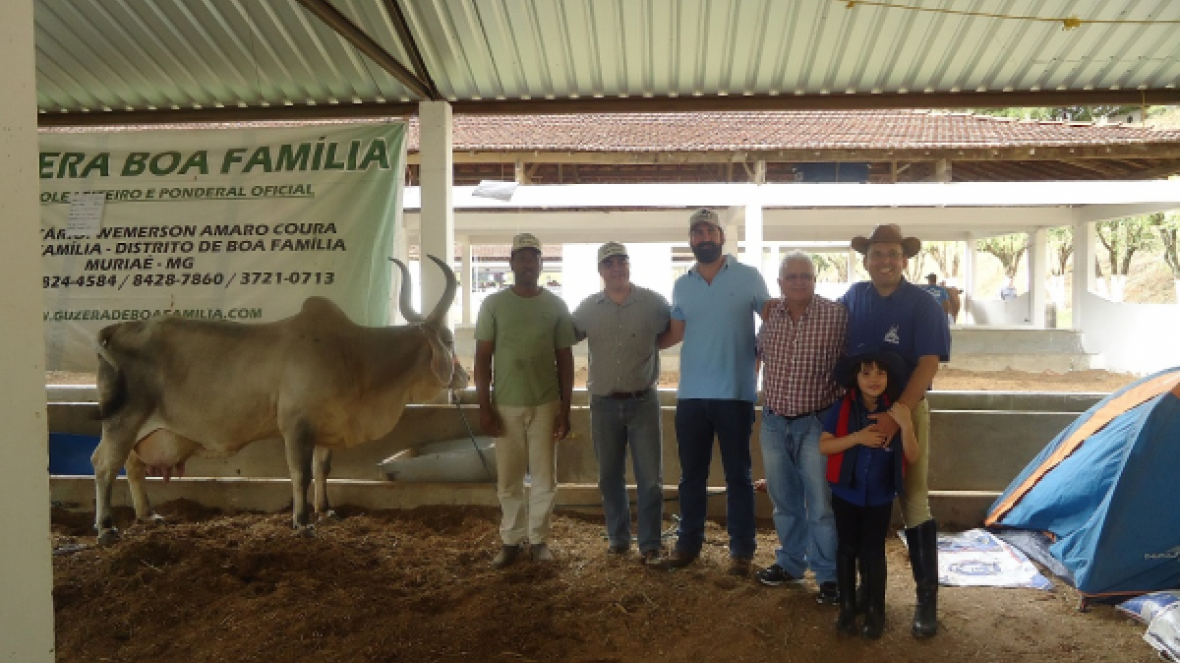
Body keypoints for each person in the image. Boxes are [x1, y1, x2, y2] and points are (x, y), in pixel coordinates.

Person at [839, 223, 950, 637]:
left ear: (904, 260)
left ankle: (926, 599)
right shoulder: (853, 298)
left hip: (906, 411)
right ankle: (866, 590)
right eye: (877, 254)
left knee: (913, 498)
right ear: (865, 261)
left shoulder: (923, 304)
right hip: (861, 414)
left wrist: (897, 412)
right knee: (865, 498)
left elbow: (929, 363)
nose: (884, 261)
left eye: (892, 254)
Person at [658, 208, 771, 576]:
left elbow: (772, 321)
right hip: (691, 395)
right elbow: (674, 333)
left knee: (738, 476)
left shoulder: (749, 277)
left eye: (710, 231)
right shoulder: (682, 284)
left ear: (722, 237)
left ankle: (742, 550)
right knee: (692, 476)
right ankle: (688, 544)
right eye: (698, 232)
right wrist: (632, 342)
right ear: (691, 240)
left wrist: (759, 357)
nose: (704, 237)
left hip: (736, 393)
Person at [474, 232, 576, 569]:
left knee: (545, 477)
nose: (528, 263)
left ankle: (539, 540)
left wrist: (564, 409)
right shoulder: (493, 305)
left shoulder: (555, 305)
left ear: (542, 263)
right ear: (512, 263)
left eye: (534, 257)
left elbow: (565, 360)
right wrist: (485, 407)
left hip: (545, 405)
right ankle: (511, 540)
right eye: (522, 257)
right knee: (509, 478)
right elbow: (482, 358)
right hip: (506, 406)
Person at [754, 251, 847, 604]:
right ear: (780, 282)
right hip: (774, 423)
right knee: (783, 501)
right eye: (791, 276)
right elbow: (757, 356)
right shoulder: (770, 317)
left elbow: (850, 367)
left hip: (816, 424)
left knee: (821, 504)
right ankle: (791, 563)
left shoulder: (836, 316)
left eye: (805, 276)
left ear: (814, 280)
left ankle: (828, 575)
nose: (798, 282)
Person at [572, 241, 671, 566]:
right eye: (609, 264)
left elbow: (674, 330)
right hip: (603, 403)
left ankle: (650, 543)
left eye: (621, 262)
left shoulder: (653, 304)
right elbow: (565, 336)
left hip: (643, 401)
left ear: (629, 266)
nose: (616, 269)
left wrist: (650, 350)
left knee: (650, 478)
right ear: (600, 270)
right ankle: (618, 538)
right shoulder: (588, 308)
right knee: (609, 475)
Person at [820, 350, 919, 639]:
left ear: (889, 377)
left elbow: (912, 456)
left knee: (874, 552)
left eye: (880, 373)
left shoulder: (897, 411)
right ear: (856, 378)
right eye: (866, 373)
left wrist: (906, 424)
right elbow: (824, 446)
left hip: (879, 496)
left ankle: (876, 612)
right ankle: (847, 608)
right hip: (846, 493)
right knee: (847, 548)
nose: (874, 379)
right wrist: (857, 438)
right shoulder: (842, 408)